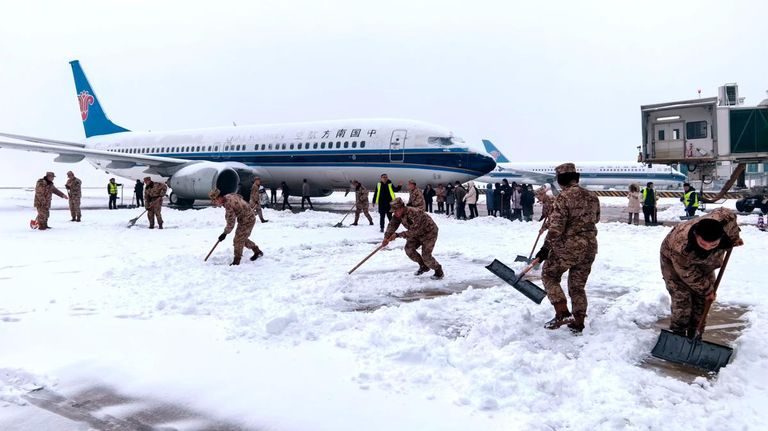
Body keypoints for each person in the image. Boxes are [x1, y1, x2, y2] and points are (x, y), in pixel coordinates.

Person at [535, 163, 600, 333]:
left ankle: (562, 313)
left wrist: (544, 249)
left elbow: (556, 228)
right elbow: (597, 218)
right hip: (590, 246)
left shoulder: (563, 197)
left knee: (549, 274)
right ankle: (578, 322)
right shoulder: (592, 196)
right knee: (577, 285)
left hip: (569, 246)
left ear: (561, 179)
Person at [660, 208, 743, 338]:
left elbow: (731, 222)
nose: (707, 247)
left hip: (705, 261)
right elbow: (689, 275)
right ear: (696, 235)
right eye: (703, 243)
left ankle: (695, 332)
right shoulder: (680, 246)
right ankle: (678, 333)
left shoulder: (726, 219)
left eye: (713, 244)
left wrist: (734, 238)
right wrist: (708, 290)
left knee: (703, 300)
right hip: (673, 260)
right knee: (682, 297)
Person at [382, 198, 443, 280]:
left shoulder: (415, 213)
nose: (394, 213)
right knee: (409, 249)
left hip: (429, 233)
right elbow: (392, 225)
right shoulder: (397, 215)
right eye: (393, 211)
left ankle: (438, 270)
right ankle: (424, 266)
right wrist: (386, 237)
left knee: (426, 256)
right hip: (416, 234)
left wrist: (397, 235)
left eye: (395, 210)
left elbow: (415, 231)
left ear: (401, 208)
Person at [209, 187, 263, 265]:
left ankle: (236, 261)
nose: (214, 202)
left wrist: (224, 233)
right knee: (242, 239)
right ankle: (257, 251)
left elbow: (231, 222)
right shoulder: (228, 196)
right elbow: (240, 197)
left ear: (220, 197)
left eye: (215, 200)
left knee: (238, 240)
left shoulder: (228, 205)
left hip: (247, 220)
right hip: (246, 218)